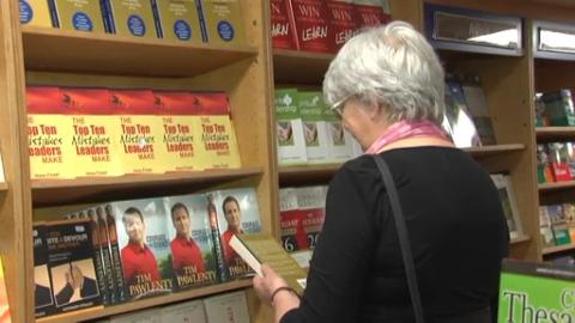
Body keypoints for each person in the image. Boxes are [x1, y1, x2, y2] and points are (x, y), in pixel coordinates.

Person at [253, 21, 509, 323]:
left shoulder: (364, 181)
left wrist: (279, 294)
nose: (344, 124)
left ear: (373, 103)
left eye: (341, 108)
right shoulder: (479, 176)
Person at [120, 207, 160, 287]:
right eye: (130, 225)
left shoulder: (150, 253)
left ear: (143, 225)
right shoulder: (123, 255)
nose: (135, 228)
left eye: (138, 223)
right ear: (126, 229)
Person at [169, 203, 205, 275]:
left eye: (184, 217)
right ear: (173, 223)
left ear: (189, 219)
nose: (182, 222)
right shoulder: (172, 248)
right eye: (178, 219)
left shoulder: (195, 245)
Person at [220, 196, 244, 267]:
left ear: (239, 212)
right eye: (229, 212)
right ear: (225, 216)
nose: (233, 215)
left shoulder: (246, 236)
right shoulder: (223, 240)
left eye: (235, 210)